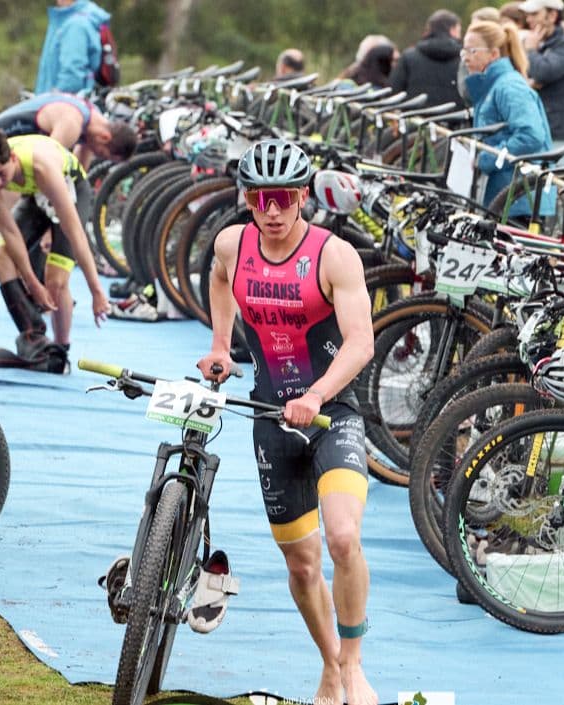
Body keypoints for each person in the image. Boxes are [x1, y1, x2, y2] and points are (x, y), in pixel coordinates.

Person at [196, 139, 376, 705]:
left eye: (282, 198)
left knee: (343, 537)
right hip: (271, 415)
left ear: (302, 198)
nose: (271, 211)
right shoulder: (232, 243)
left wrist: (319, 393)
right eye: (259, 198)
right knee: (302, 566)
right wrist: (221, 344)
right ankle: (328, 664)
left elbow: (362, 342)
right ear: (246, 199)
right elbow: (221, 278)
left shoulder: (332, 256)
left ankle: (353, 666)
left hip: (331, 414)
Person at [0, 128, 109, 367]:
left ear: (12, 158)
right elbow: (10, 232)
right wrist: (32, 283)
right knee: (1, 260)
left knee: (55, 281)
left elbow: (76, 234)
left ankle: (61, 349)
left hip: (69, 187)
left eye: (2, 175)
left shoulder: (43, 168)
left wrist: (96, 292)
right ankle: (35, 337)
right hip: (34, 196)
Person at [462, 20, 554, 215]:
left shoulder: (509, 87)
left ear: (493, 54)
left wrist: (486, 159)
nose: (465, 58)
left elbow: (531, 136)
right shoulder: (492, 85)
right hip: (504, 194)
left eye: (472, 51)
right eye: (464, 51)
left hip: (521, 200)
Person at [0, 93, 137, 169]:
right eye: (102, 154)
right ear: (104, 137)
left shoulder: (92, 121)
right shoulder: (72, 124)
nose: (97, 155)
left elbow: (78, 174)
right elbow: (43, 165)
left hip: (9, 149)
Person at [520, 0, 564, 159]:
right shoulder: (541, 45)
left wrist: (530, 51)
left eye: (535, 14)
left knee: (555, 182)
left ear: (552, 15)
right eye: (528, 15)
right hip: (536, 130)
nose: (529, 19)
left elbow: (542, 72)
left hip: (557, 133)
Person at [390, 9, 463, 110]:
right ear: (452, 30)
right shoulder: (463, 60)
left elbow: (394, 92)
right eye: (459, 31)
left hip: (414, 120)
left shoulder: (408, 57)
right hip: (454, 121)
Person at [36, 0, 109, 95]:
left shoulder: (75, 25)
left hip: (61, 103)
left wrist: (52, 99)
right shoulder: (75, 19)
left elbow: (72, 76)